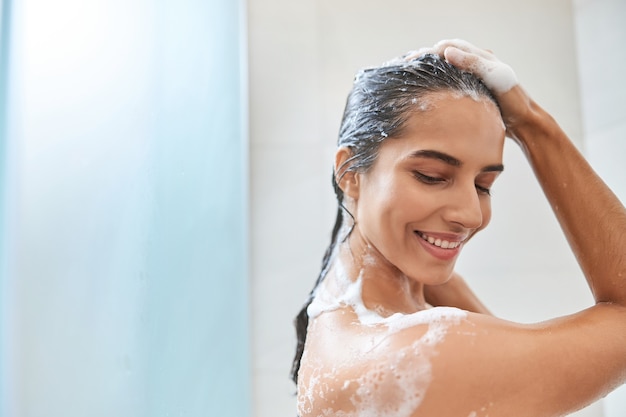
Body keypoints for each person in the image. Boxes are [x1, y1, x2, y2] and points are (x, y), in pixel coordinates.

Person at [290, 39, 626, 417]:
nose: (471, 215)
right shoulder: (403, 360)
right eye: (432, 176)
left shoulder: (389, 292)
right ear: (350, 174)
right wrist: (533, 123)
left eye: (484, 185)